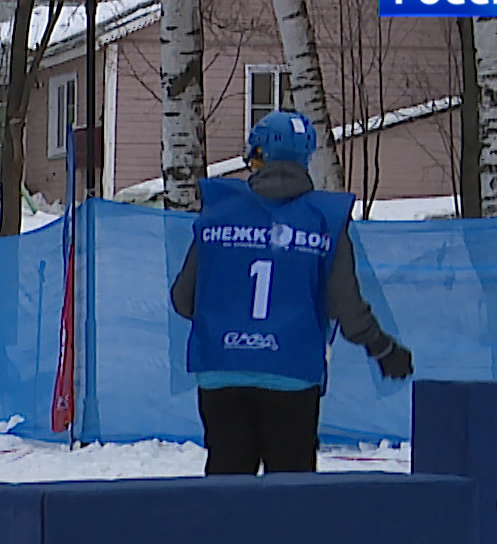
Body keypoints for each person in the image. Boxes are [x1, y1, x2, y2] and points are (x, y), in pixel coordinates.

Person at [169, 110, 413, 476]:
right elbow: (345, 305)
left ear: (258, 155)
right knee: (291, 492)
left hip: (222, 370)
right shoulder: (323, 220)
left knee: (227, 486)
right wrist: (382, 348)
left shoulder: (218, 215)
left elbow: (182, 300)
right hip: (292, 372)